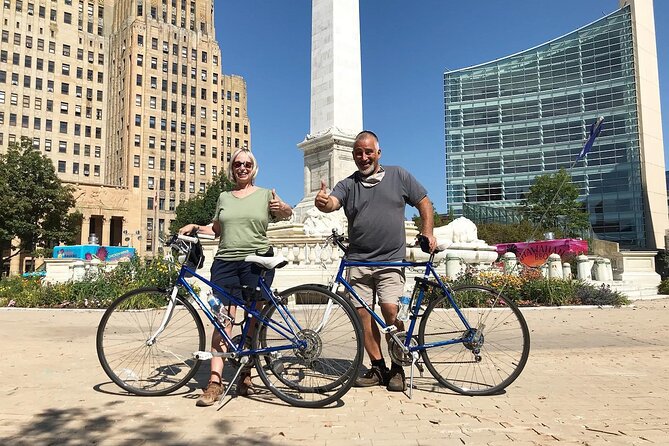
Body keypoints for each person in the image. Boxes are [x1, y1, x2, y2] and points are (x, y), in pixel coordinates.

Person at [314, 130, 436, 392]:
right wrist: (322, 202)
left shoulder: (399, 175)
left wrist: (427, 231)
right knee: (363, 318)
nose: (364, 156)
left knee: (391, 312)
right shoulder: (347, 185)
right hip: (358, 261)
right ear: (353, 155)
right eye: (358, 152)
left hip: (391, 260)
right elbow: (332, 203)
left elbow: (424, 202)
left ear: (378, 153)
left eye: (369, 151)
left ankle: (398, 367)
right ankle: (378, 367)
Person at [180, 148, 292, 407]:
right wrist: (196, 226)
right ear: (232, 169)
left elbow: (285, 213)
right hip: (225, 263)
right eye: (238, 164)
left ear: (254, 168)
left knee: (253, 319)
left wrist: (284, 208)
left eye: (247, 164)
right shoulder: (223, 197)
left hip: (256, 262)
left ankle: (246, 375)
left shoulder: (266, 195)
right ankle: (215, 382)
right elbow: (217, 230)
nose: (242, 167)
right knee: (223, 320)